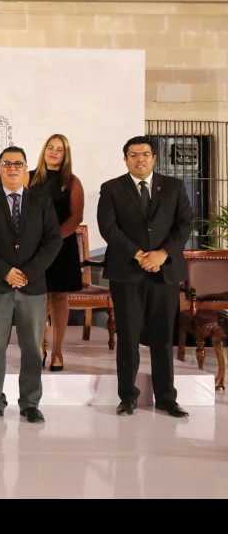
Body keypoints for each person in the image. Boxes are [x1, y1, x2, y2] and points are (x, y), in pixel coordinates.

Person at [97, 135, 193, 419]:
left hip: (165, 271)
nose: (140, 159)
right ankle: (127, 397)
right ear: (125, 159)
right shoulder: (112, 188)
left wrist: (162, 254)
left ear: (154, 158)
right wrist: (139, 255)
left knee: (163, 337)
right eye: (134, 155)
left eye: (145, 154)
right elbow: (108, 228)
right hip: (127, 272)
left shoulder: (174, 187)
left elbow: (184, 224)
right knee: (128, 337)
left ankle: (166, 398)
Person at [0, 146, 61, 424]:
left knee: (32, 348)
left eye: (18, 164)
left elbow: (53, 241)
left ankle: (30, 403)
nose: (12, 168)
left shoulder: (42, 202)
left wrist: (27, 273)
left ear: (26, 169)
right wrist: (5, 272)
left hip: (32, 287)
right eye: (7, 164)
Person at [27, 134, 84, 372]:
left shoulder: (72, 181)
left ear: (65, 154)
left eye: (59, 149)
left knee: (59, 298)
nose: (53, 152)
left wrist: (53, 239)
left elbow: (76, 216)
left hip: (61, 247)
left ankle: (57, 351)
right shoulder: (28, 177)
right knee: (38, 298)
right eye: (50, 147)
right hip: (34, 248)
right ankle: (38, 348)